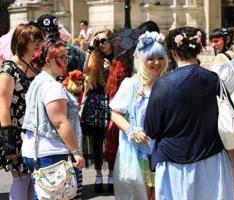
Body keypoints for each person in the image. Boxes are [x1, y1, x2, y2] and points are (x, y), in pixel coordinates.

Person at [144, 26, 234, 200]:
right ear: (199, 49)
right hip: (212, 160)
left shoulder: (163, 84)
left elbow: (151, 129)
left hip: (174, 162)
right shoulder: (213, 79)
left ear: (173, 52)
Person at [21, 39, 85, 200]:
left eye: (66, 57)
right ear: (49, 60)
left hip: (35, 149)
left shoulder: (37, 81)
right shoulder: (51, 86)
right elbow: (60, 122)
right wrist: (76, 152)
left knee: (43, 195)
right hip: (51, 152)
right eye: (62, 58)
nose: (66, 61)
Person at [110, 31, 168, 200]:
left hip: (164, 150)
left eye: (160, 58)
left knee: (160, 194)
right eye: (150, 58)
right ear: (141, 59)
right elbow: (115, 113)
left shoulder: (169, 82)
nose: (156, 63)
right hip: (138, 152)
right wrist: (131, 131)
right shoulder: (131, 84)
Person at [0, 22, 44, 200]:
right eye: (36, 39)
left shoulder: (34, 67)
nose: (40, 43)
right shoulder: (8, 69)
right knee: (21, 180)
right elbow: (2, 105)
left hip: (33, 132)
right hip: (15, 132)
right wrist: (8, 140)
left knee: (31, 181)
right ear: (23, 41)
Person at [209, 27, 234, 198]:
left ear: (225, 40)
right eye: (212, 40)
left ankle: (226, 192)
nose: (213, 44)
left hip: (223, 108)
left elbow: (214, 82)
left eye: (216, 40)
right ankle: (232, 191)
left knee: (225, 153)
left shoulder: (220, 58)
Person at [80, 39, 110, 193]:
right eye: (100, 41)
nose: (102, 43)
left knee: (111, 139)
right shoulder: (94, 58)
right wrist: (91, 47)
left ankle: (111, 175)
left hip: (109, 100)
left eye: (105, 40)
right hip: (94, 102)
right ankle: (98, 175)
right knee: (96, 140)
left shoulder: (114, 59)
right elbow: (85, 69)